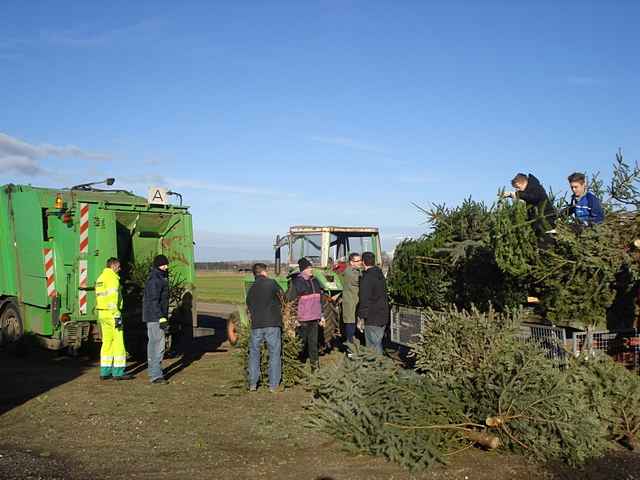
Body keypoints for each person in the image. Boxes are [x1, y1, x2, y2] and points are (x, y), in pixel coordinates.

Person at [246, 263, 283, 392]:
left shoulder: (251, 288)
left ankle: (253, 384)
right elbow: (282, 296)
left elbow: (248, 304)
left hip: (256, 325)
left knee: (254, 354)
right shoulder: (271, 283)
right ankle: (273, 385)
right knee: (274, 353)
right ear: (264, 272)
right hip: (272, 323)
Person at [95, 257, 133, 380]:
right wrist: (117, 315)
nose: (120, 268)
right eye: (118, 266)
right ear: (113, 266)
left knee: (106, 343)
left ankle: (105, 371)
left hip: (102, 314)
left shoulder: (100, 278)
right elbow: (112, 299)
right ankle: (118, 372)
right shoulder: (112, 279)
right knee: (118, 343)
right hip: (112, 315)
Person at [287, 257, 325, 371]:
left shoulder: (315, 281)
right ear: (303, 269)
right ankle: (297, 365)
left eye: (311, 267)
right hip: (302, 319)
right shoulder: (296, 282)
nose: (311, 270)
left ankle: (315, 367)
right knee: (301, 344)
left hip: (315, 317)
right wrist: (294, 318)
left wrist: (322, 315)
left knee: (313, 344)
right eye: (309, 268)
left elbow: (320, 299)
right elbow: (292, 301)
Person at [143, 254, 170, 385]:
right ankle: (156, 375)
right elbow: (154, 301)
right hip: (155, 318)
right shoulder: (156, 280)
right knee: (157, 346)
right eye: (164, 264)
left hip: (154, 317)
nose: (166, 267)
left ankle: (154, 372)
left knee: (154, 345)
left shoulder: (158, 277)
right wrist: (161, 318)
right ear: (158, 265)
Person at [357, 251, 389, 355]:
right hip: (383, 315)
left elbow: (364, 299)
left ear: (363, 262)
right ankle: (379, 366)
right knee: (378, 343)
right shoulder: (380, 276)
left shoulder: (366, 278)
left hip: (372, 317)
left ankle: (375, 368)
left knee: (372, 346)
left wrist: (361, 318)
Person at [341, 253, 362, 347]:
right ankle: (350, 347)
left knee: (354, 324)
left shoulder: (357, 271)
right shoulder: (349, 272)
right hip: (350, 303)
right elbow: (358, 280)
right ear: (351, 262)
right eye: (357, 261)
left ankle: (355, 345)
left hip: (356, 301)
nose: (360, 262)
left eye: (360, 260)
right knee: (351, 324)